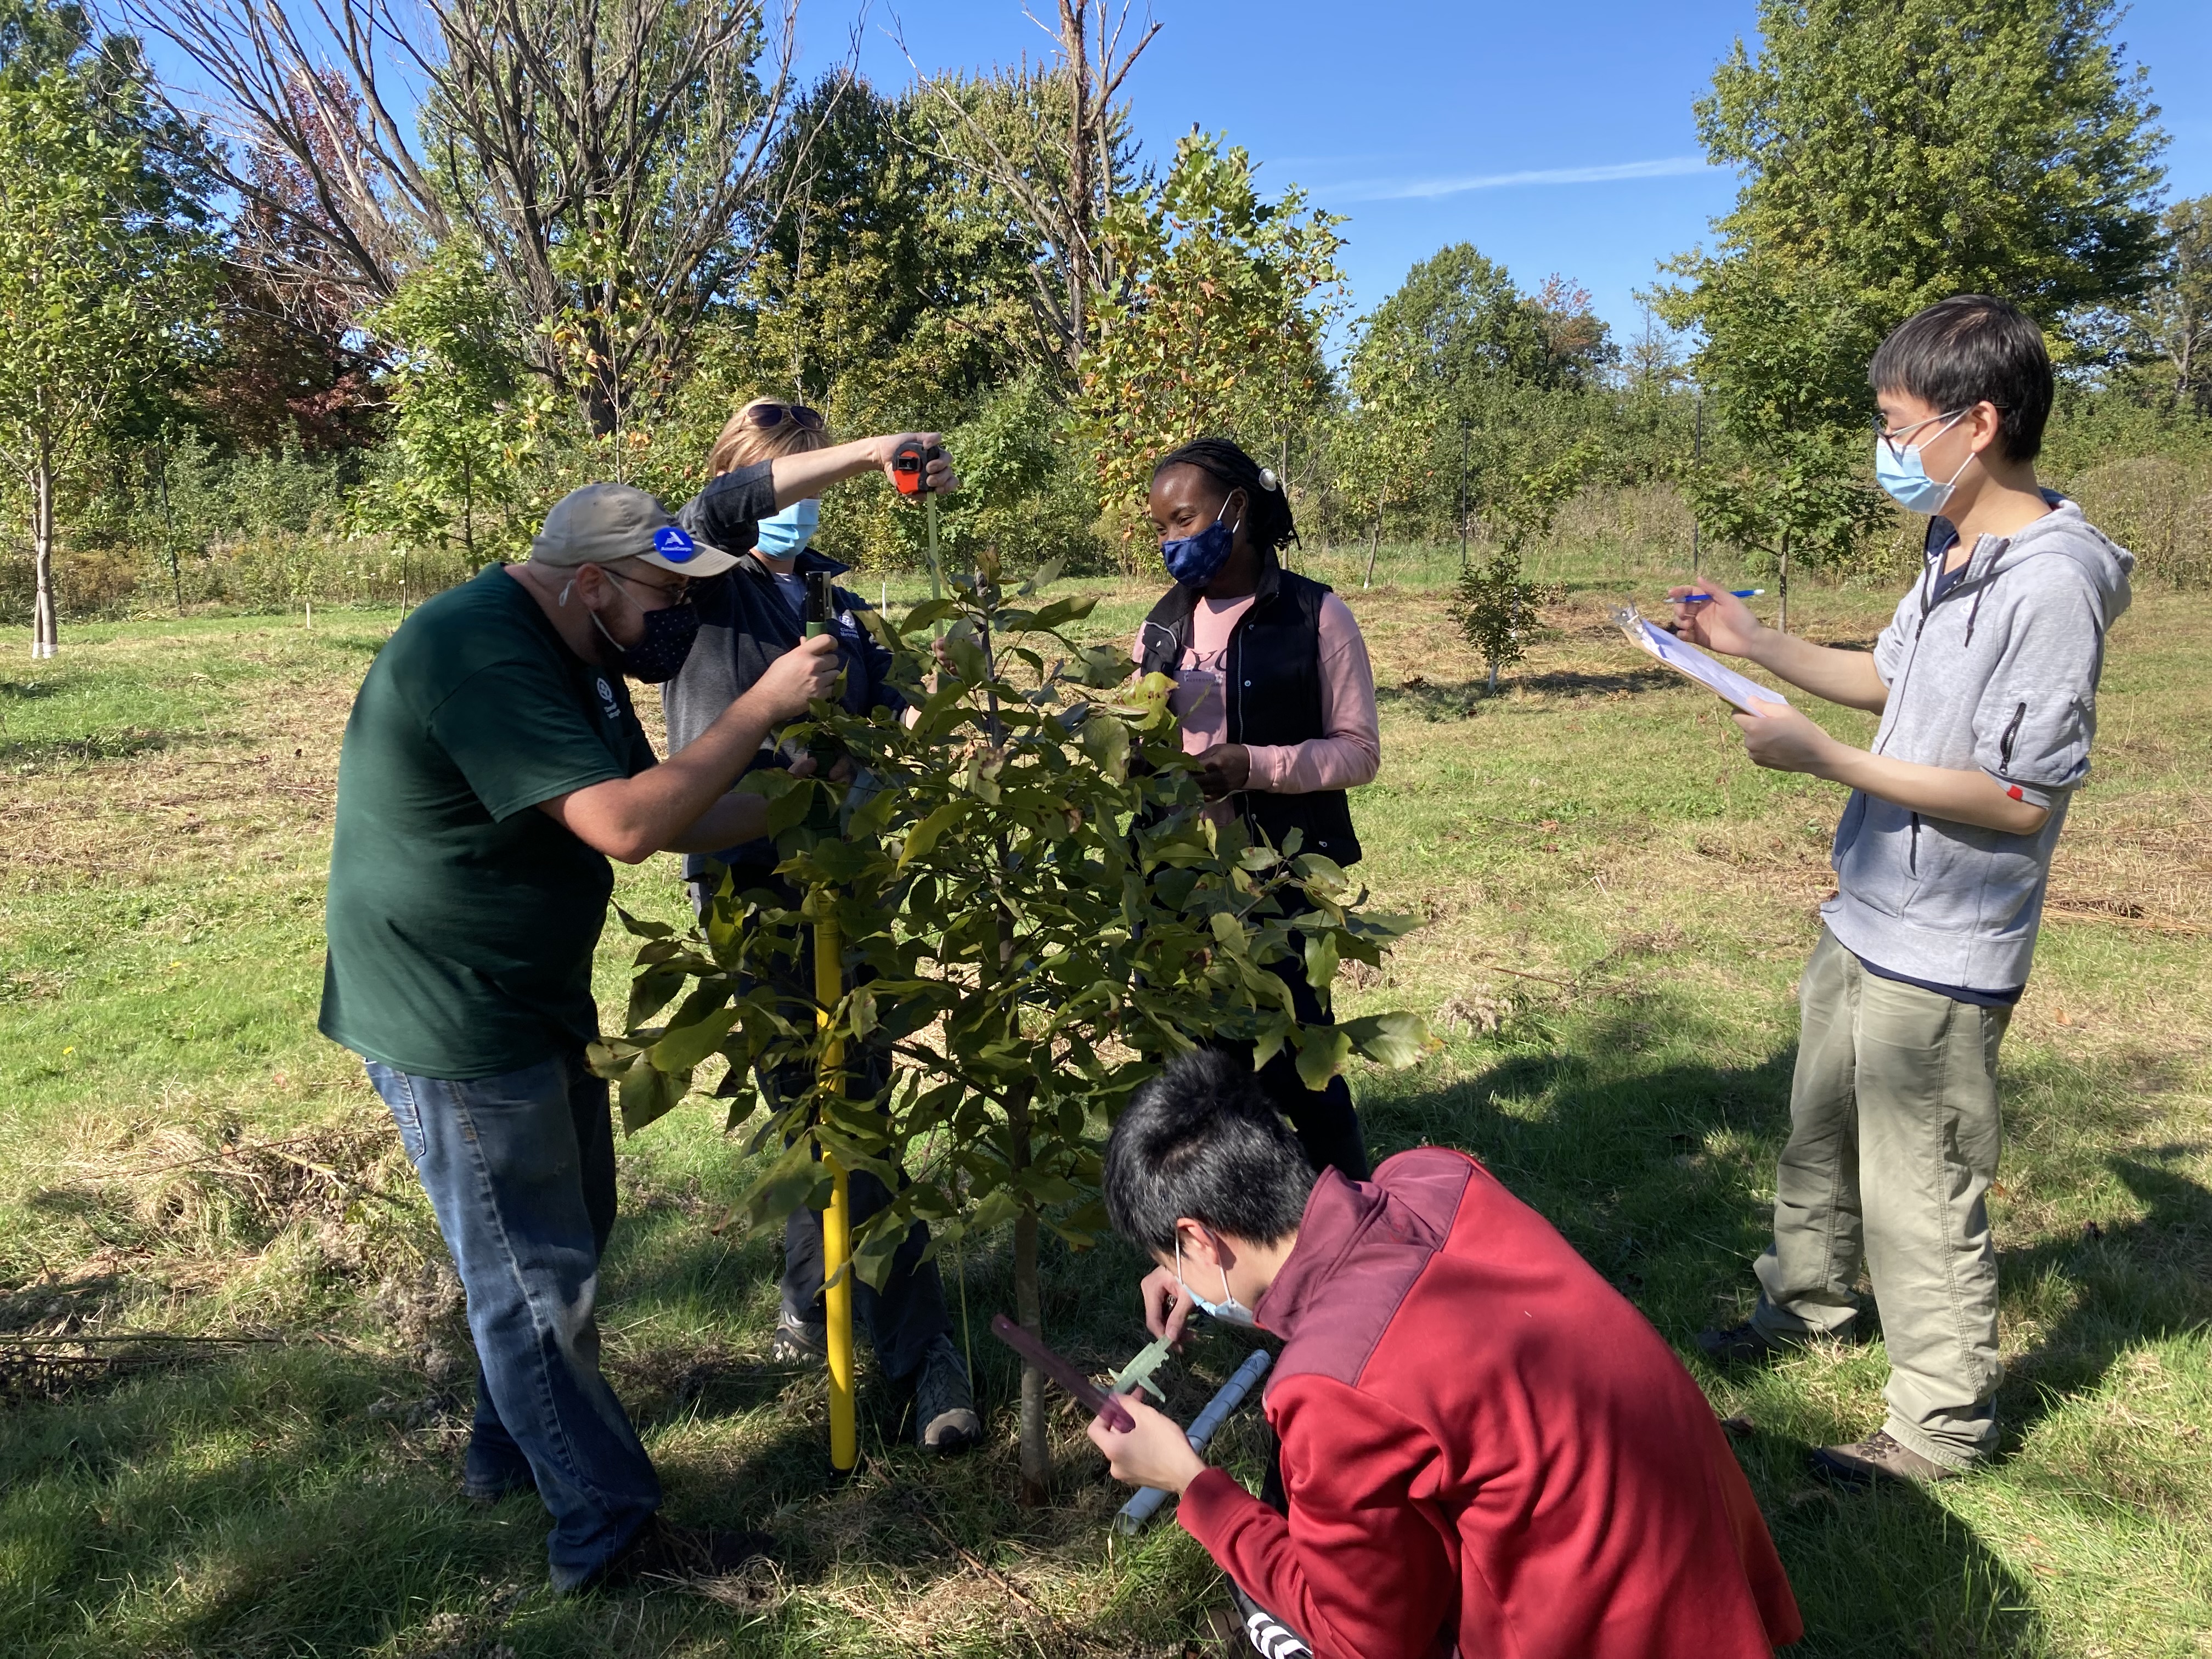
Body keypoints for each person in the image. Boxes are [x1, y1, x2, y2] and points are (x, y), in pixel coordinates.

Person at [320, 481, 843, 1592]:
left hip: (527, 985)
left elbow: (672, 805)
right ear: (592, 583)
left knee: (565, 1234)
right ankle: (610, 1539)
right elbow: (627, 827)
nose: (681, 619)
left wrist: (797, 798)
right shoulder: (483, 653)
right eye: (665, 595)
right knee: (537, 1276)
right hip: (450, 1004)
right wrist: (760, 712)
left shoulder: (581, 648)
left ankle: (502, 1455)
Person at [1678, 295, 2134, 1486]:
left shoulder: (2051, 585)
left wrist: (1821, 759)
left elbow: (2020, 799)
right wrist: (1754, 644)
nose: (1884, 450)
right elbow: (1891, 680)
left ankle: (1939, 1429)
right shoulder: (1952, 544)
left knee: (1922, 1189)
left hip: (1948, 939)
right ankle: (1808, 1303)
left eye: (1897, 424)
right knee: (1817, 1134)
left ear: (1976, 423)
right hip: (1868, 901)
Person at [1087, 1049, 1804, 1659]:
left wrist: (1191, 1484)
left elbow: (1365, 1639)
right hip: (1710, 1587)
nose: (1181, 1282)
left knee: (1277, 1614)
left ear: (1203, 1240)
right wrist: (1212, 1278)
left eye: (1173, 1260)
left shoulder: (1329, 1392)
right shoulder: (1435, 1179)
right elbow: (1369, 1303)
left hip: (1591, 1634)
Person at [664, 398, 980, 1453]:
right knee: (824, 1113)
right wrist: (867, 452)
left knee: (854, 1104)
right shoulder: (699, 572)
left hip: (846, 880)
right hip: (754, 881)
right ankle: (920, 1350)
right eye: (789, 482)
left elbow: (886, 702)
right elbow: (723, 509)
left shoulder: (834, 598)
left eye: (814, 482)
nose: (803, 504)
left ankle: (825, 1308)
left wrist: (926, 711)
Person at [1132, 437, 1381, 1184]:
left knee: (1301, 1061)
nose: (1173, 541)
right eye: (1161, 529)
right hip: (1180, 884)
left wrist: (1257, 767)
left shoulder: (1315, 616)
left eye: (1185, 520)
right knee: (1193, 1071)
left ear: (1238, 510)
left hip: (1280, 880)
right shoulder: (1162, 625)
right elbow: (1148, 737)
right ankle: (1224, 1230)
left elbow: (1359, 752)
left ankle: (1352, 1214)